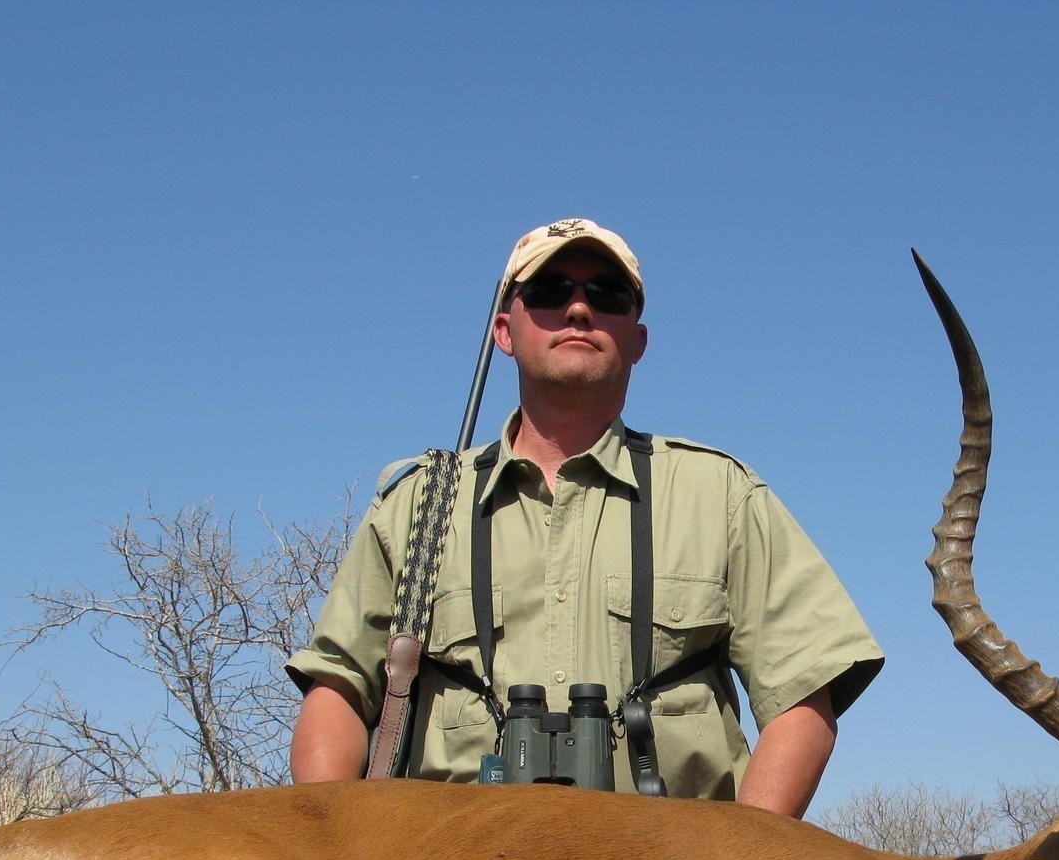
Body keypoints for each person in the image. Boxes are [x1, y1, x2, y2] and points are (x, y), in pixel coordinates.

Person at [287, 219, 882, 817]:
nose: (577, 308)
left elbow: (803, 700)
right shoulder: (418, 504)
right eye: (547, 291)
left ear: (638, 339)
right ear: (504, 331)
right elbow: (338, 689)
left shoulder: (722, 495)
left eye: (607, 294)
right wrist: (335, 854)